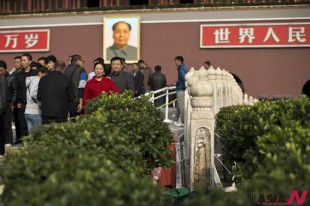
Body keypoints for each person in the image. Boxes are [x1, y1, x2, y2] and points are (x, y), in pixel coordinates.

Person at [15, 53, 37, 144]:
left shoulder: (35, 73)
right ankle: (25, 145)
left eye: (24, 60)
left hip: (34, 103)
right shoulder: (19, 74)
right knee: (23, 124)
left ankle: (34, 144)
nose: (22, 62)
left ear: (30, 61)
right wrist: (18, 101)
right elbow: (18, 89)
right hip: (23, 103)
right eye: (22, 61)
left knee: (34, 126)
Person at [25, 65, 48, 131]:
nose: (45, 77)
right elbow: (33, 93)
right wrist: (43, 99)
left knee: (32, 137)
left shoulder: (30, 80)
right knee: (38, 136)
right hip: (35, 111)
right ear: (40, 73)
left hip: (28, 111)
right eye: (45, 74)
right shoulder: (37, 80)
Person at [0, 60, 17, 145]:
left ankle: (8, 146)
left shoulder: (11, 78)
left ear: (6, 69)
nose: (0, 72)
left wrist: (12, 102)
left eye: (1, 70)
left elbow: (15, 91)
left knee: (7, 127)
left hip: (7, 105)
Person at [173, 56, 188, 127]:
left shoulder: (181, 68)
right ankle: (175, 120)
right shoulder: (184, 68)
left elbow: (183, 77)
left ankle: (183, 121)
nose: (175, 63)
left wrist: (179, 82)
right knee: (179, 105)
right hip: (183, 88)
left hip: (181, 89)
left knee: (181, 106)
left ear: (179, 61)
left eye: (176, 61)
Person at [10, 56, 22, 142]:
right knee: (16, 121)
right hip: (14, 101)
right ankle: (18, 138)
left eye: (18, 62)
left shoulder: (22, 73)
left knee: (21, 121)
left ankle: (22, 137)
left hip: (20, 100)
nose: (16, 64)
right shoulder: (14, 73)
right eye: (15, 62)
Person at [0, 73, 7, 155]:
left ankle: (1, 149)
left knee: (1, 130)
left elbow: (4, 94)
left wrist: (3, 106)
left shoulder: (2, 77)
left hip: (0, 109)